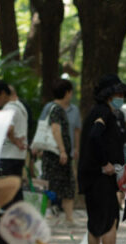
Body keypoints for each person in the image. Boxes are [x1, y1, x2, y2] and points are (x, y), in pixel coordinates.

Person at [78, 74, 126, 244]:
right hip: (102, 177)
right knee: (110, 220)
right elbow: (95, 136)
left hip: (91, 177)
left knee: (95, 221)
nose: (120, 97)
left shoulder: (99, 112)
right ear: (108, 95)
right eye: (117, 93)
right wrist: (105, 163)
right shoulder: (103, 113)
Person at [0, 79, 28, 244]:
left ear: (3, 94)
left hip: (7, 159)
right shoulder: (20, 107)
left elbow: (8, 128)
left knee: (3, 200)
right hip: (16, 159)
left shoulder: (9, 108)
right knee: (12, 200)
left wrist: (14, 140)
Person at [41, 79, 77, 228]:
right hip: (56, 155)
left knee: (53, 184)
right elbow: (56, 129)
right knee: (62, 184)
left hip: (51, 155)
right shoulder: (57, 109)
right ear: (67, 92)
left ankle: (67, 217)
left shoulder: (50, 107)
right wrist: (62, 150)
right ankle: (63, 217)